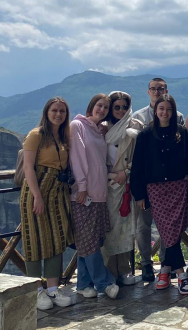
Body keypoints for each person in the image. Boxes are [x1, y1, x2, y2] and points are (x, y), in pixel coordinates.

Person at [131, 95, 188, 295]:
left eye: (168, 109)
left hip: (179, 188)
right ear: (155, 110)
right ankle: (181, 275)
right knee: (168, 231)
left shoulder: (181, 133)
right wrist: (139, 194)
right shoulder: (145, 135)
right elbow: (138, 167)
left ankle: (165, 270)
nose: (165, 113)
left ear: (173, 111)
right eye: (161, 109)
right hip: (156, 190)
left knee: (174, 231)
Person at [19, 97, 77, 310]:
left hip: (58, 192)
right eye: (55, 110)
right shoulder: (36, 135)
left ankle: (53, 289)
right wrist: (37, 196)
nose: (58, 114)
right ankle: (35, 290)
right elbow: (28, 168)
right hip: (38, 190)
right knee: (34, 240)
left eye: (62, 111)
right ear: (47, 112)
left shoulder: (63, 135)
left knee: (57, 238)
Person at [69, 94, 120, 300]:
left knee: (88, 241)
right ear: (91, 105)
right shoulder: (77, 126)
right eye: (100, 105)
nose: (102, 109)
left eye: (106, 107)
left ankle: (83, 284)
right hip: (83, 194)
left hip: (99, 194)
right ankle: (104, 282)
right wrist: (81, 186)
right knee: (88, 241)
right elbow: (77, 157)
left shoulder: (99, 131)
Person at [132, 78, 183, 282]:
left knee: (167, 226)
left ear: (166, 91)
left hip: (171, 185)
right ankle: (145, 263)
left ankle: (166, 262)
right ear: (148, 91)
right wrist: (139, 192)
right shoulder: (138, 118)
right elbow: (137, 161)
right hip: (149, 184)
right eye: (153, 89)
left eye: (160, 88)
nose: (156, 91)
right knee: (143, 226)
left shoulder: (178, 119)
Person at [100, 91, 141, 287]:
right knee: (108, 229)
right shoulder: (100, 128)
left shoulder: (135, 127)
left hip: (125, 185)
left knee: (125, 228)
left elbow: (142, 157)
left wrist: (126, 172)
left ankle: (123, 271)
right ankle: (109, 273)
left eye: (124, 107)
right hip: (105, 186)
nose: (121, 110)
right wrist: (109, 176)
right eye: (116, 107)